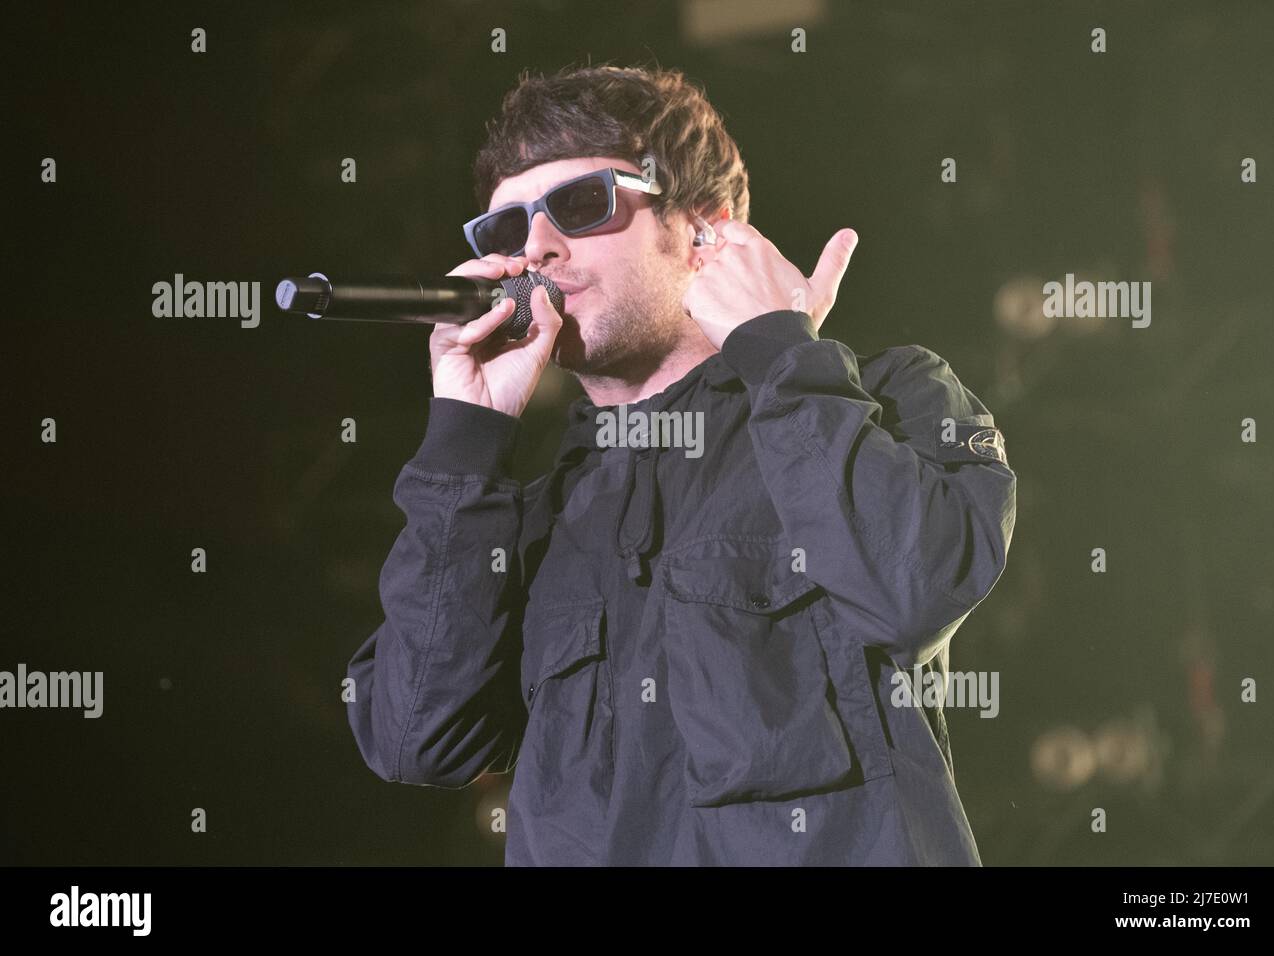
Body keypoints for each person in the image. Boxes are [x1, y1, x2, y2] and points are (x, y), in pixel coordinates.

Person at [345, 64, 1016, 865]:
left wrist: (778, 353)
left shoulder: (884, 398)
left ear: (705, 231)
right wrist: (467, 433)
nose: (535, 248)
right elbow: (416, 739)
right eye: (505, 230)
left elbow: (913, 586)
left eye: (581, 203)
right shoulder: (527, 512)